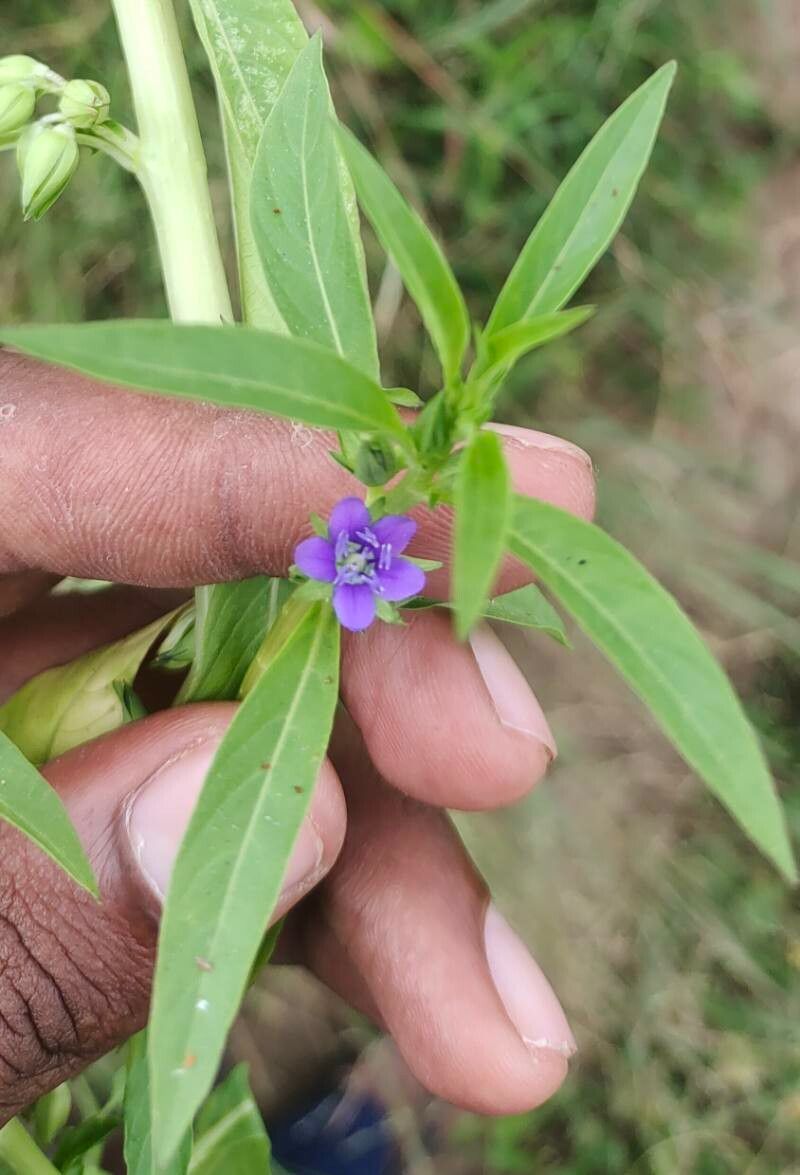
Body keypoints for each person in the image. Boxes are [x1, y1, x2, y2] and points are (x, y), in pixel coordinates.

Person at [0, 351, 595, 1121]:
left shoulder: (361, 574)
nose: (358, 558)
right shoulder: (344, 559)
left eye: (367, 557)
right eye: (355, 555)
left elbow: (377, 571)